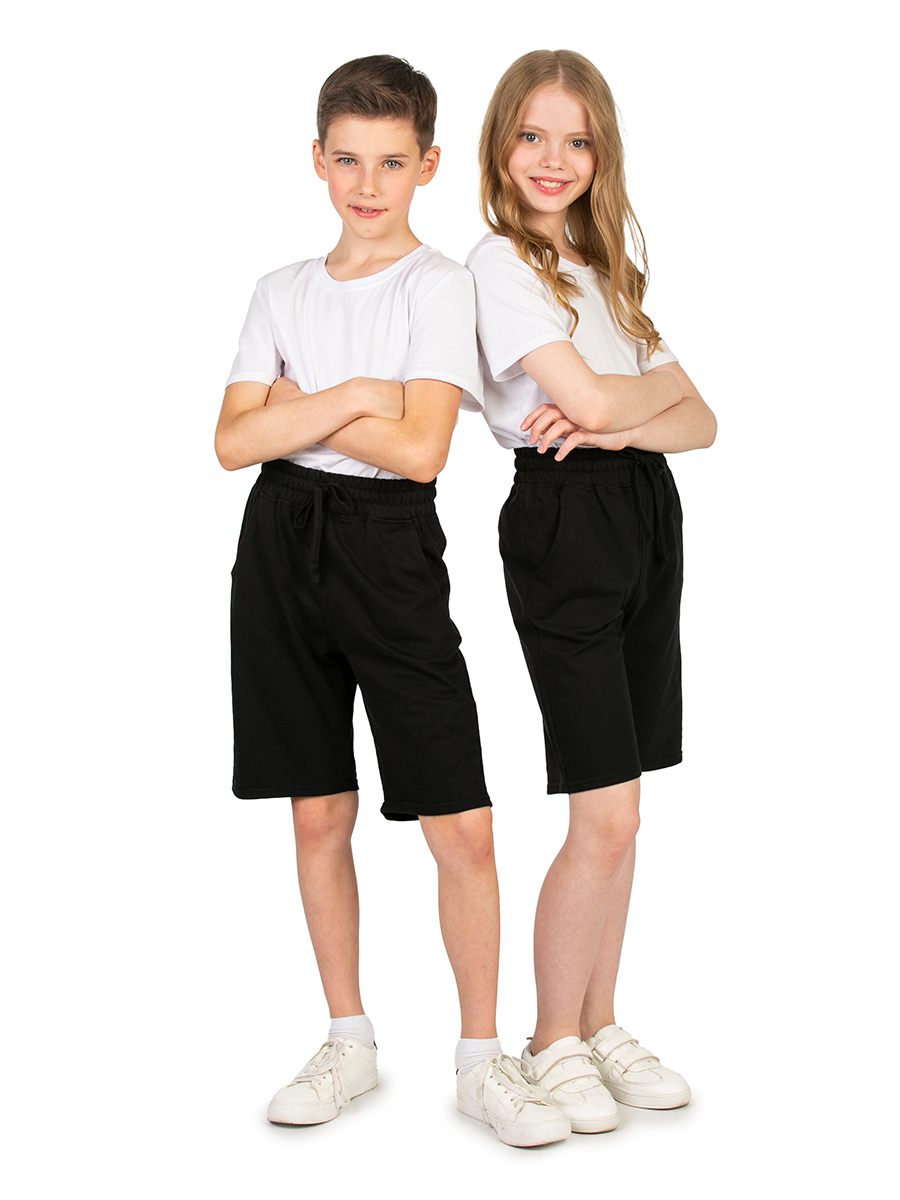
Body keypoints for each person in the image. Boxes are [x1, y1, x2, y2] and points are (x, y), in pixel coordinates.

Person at [215, 54, 569, 1148]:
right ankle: (348, 1039)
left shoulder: (437, 286)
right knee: (317, 809)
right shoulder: (279, 289)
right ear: (318, 161)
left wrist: (303, 406)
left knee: (460, 820)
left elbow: (421, 452)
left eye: (391, 163)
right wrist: (362, 393)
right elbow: (232, 442)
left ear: (427, 165)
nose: (367, 185)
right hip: (278, 542)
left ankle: (481, 1056)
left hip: (389, 547)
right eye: (348, 161)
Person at [466, 49, 716, 1131]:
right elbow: (603, 399)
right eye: (532, 135)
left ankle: (598, 1020)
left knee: (630, 807)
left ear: (601, 152)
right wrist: (629, 403)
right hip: (565, 521)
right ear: (500, 146)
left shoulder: (604, 269)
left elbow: (703, 420)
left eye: (576, 139)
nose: (553, 159)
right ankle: (550, 1040)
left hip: (645, 513)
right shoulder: (501, 264)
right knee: (602, 810)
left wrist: (622, 414)